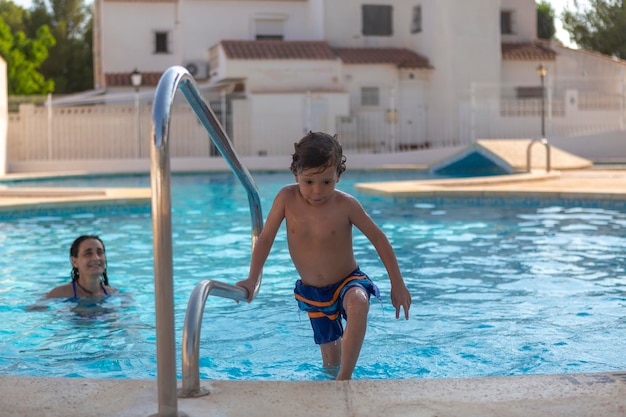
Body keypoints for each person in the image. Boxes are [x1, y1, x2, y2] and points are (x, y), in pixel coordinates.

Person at [236, 131, 411, 380]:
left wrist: (398, 283)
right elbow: (265, 239)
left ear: (339, 175)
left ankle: (346, 378)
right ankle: (334, 379)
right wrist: (252, 278)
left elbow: (379, 239)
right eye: (309, 182)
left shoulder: (345, 205)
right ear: (295, 173)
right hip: (314, 293)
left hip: (348, 281)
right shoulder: (286, 198)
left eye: (326, 182)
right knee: (330, 361)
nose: (317, 191)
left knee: (359, 302)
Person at [46, 235, 117, 299]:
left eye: (100, 252)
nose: (96, 258)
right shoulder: (59, 294)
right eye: (88, 254)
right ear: (74, 262)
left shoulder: (113, 294)